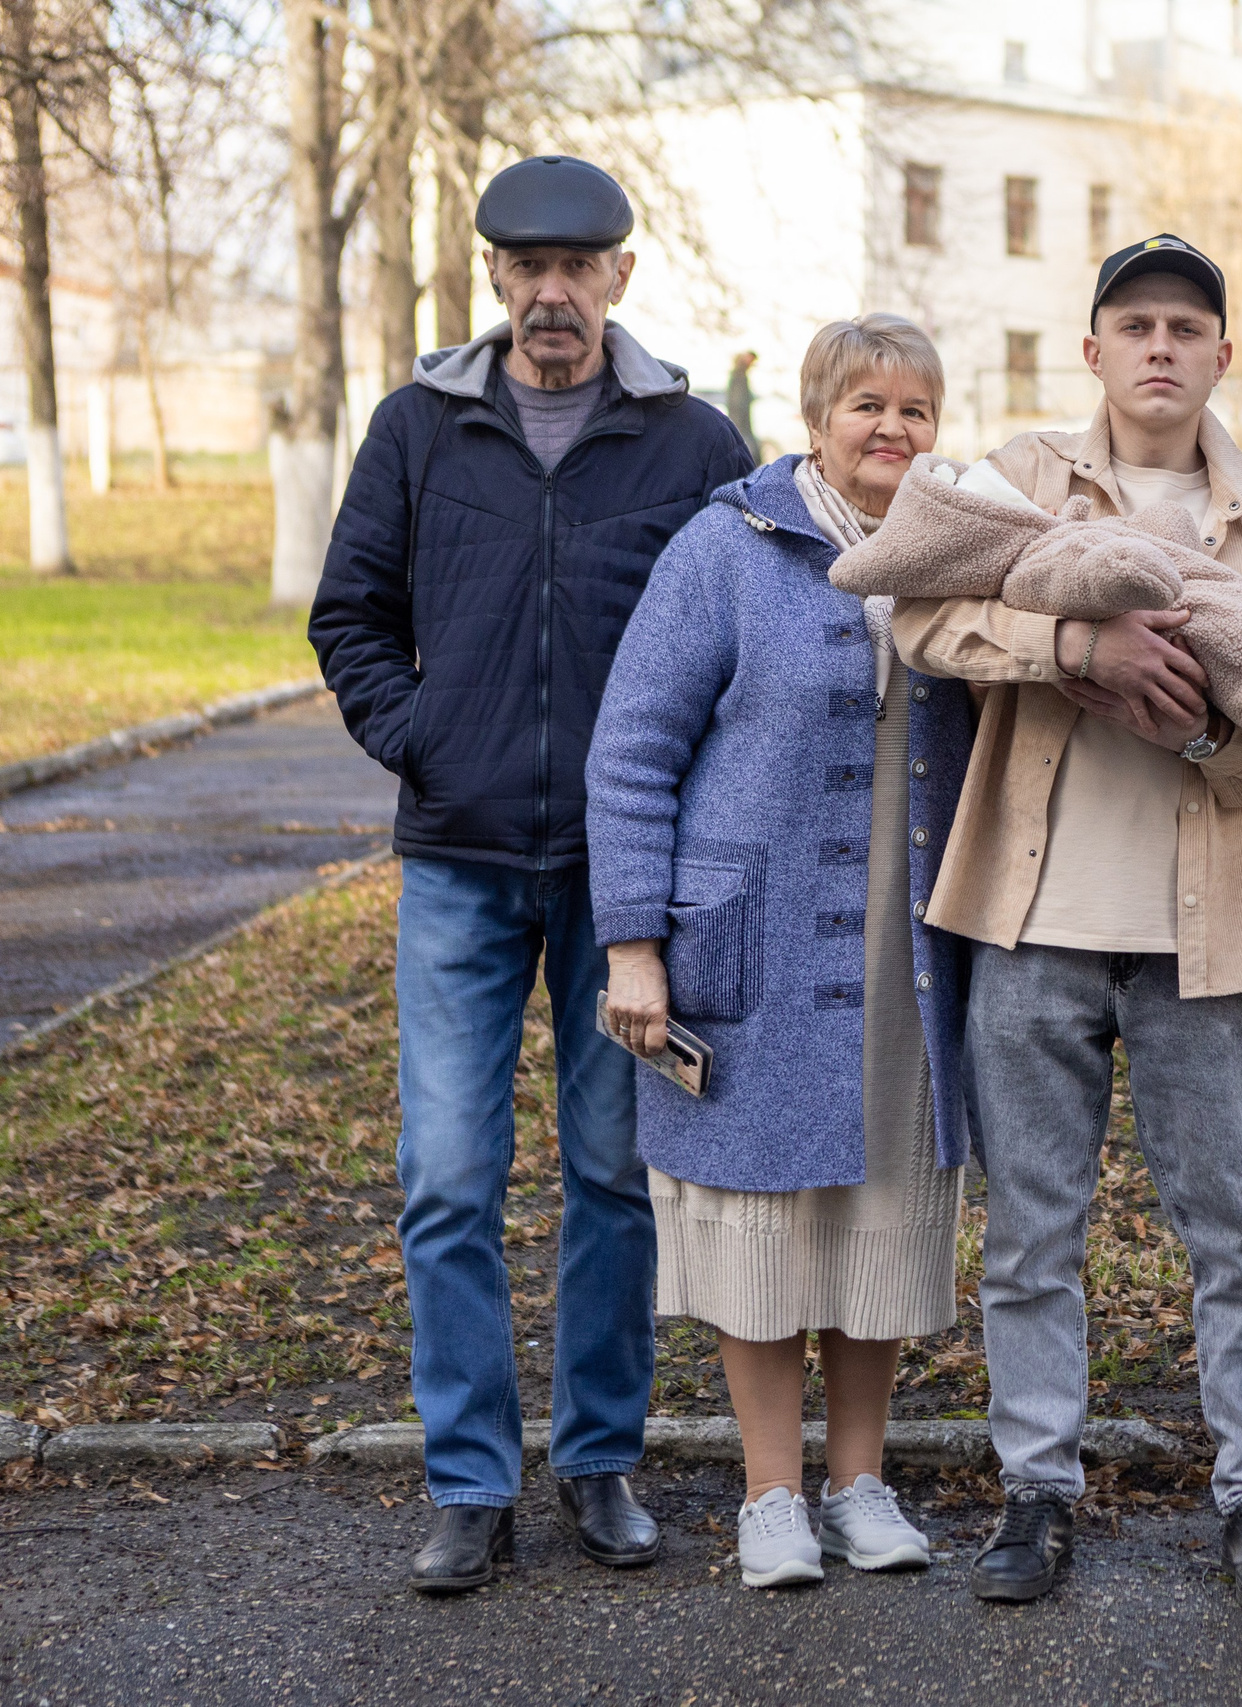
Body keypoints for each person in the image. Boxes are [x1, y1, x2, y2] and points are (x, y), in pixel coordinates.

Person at [309, 155, 754, 1593]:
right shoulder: (419, 431)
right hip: (460, 861)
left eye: (580, 266)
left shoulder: (693, 443)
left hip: (629, 881)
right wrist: (422, 737)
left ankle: (602, 1462)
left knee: (612, 1176)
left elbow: (745, 631)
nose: (552, 291)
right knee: (446, 1179)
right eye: (526, 266)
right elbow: (351, 612)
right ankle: (468, 1479)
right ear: (492, 277)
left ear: (622, 275)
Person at [891, 234, 1242, 1616]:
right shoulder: (1022, 478)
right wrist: (1073, 651)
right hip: (1030, 923)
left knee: (1238, 1230)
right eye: (1135, 324)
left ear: (1222, 353)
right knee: (1033, 1229)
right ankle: (1037, 1486)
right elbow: (921, 615)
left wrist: (1204, 725)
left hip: (1209, 938)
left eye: (1186, 327)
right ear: (1092, 349)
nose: (1160, 346)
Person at [584, 314, 973, 1589]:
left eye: (914, 410)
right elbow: (633, 751)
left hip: (904, 956)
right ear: (814, 420)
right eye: (866, 405)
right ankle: (769, 1497)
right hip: (744, 945)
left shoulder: (957, 558)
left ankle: (861, 1484)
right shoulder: (726, 549)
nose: (891, 430)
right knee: (760, 1223)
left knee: (875, 1215)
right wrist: (634, 948)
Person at [725, 351, 760, 463]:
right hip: (740, 420)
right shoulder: (738, 376)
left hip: (742, 420)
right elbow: (736, 401)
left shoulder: (740, 375)